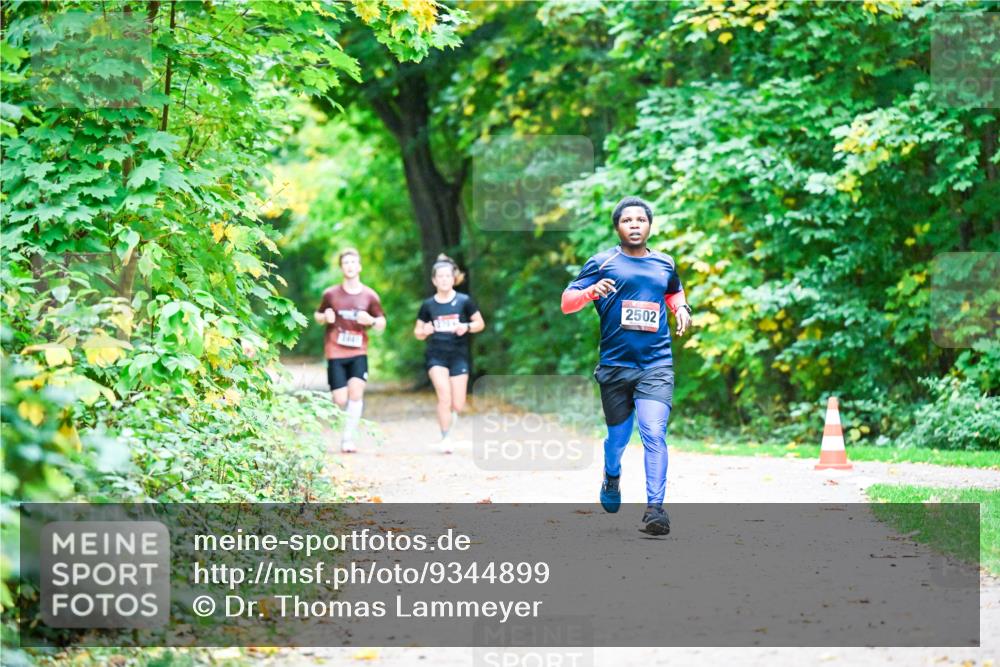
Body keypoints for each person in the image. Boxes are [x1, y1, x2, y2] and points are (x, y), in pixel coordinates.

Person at [561, 196, 692, 535]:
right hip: (615, 367)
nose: (635, 224)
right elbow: (567, 302)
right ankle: (612, 474)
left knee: (654, 433)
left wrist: (681, 309)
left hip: (656, 364)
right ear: (617, 227)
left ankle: (655, 510)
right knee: (618, 439)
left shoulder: (665, 263)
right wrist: (591, 291)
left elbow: (673, 291)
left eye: (641, 220)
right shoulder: (602, 262)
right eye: (627, 220)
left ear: (649, 226)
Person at [314, 248, 386, 453]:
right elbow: (318, 316)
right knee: (340, 399)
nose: (350, 266)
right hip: (335, 351)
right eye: (346, 263)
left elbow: (382, 323)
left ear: (359, 266)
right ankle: (341, 428)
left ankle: (347, 438)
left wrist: (371, 320)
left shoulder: (369, 295)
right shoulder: (331, 294)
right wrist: (325, 317)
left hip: (358, 351)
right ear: (341, 268)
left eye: (353, 262)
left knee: (356, 394)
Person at [414, 254, 485, 453]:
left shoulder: (464, 301)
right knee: (444, 396)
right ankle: (445, 437)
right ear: (434, 280)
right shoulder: (428, 305)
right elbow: (417, 332)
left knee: (458, 404)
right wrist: (425, 331)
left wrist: (466, 326)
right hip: (436, 356)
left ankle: (449, 432)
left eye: (448, 276)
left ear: (453, 278)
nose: (444, 280)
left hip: (458, 356)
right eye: (440, 276)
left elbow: (480, 324)